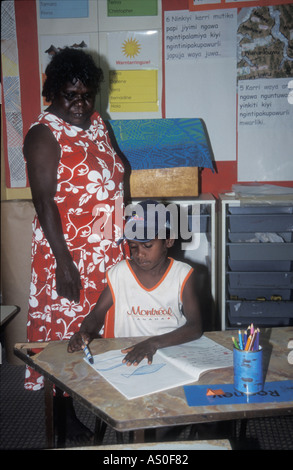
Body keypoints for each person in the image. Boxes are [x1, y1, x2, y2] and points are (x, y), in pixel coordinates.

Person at [23, 48, 127, 442]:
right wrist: (64, 265)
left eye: (87, 94)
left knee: (106, 331)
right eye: (71, 95)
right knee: (65, 337)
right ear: (53, 92)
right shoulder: (43, 134)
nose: (81, 104)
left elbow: (117, 175)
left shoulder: (98, 124)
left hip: (108, 248)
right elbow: (44, 201)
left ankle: (107, 405)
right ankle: (62, 419)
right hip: (70, 254)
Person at [68, 200, 203, 364]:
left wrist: (153, 343)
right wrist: (84, 332)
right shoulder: (120, 273)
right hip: (126, 353)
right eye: (133, 246)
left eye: (147, 245)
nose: (139, 254)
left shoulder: (182, 274)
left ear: (168, 241)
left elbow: (195, 326)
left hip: (169, 350)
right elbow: (97, 315)